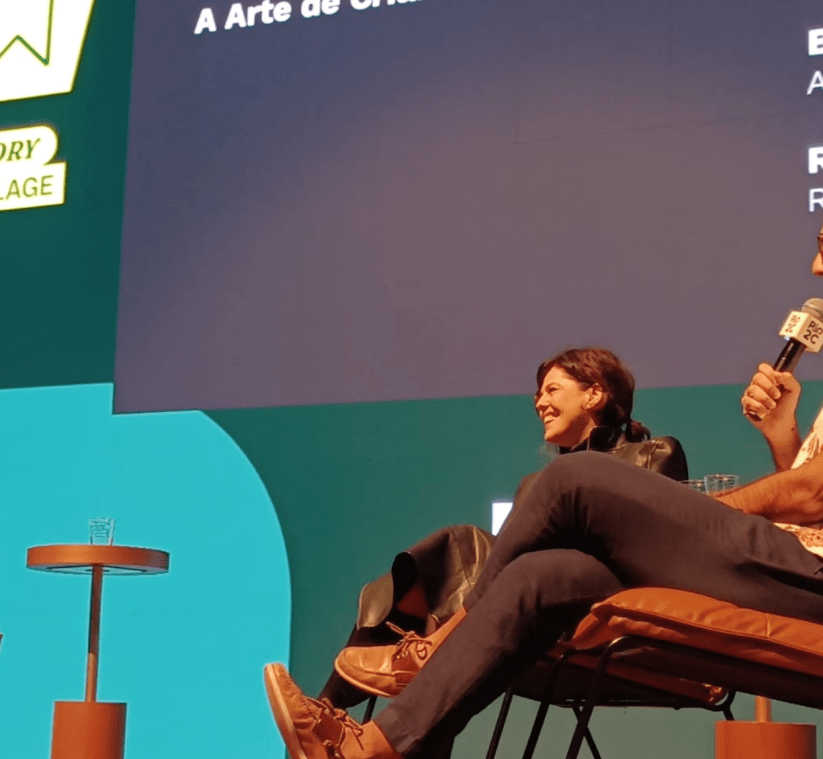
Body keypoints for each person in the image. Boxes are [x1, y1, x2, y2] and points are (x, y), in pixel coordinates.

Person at [262, 226, 823, 759]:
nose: (817, 265)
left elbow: (813, 494)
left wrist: (704, 514)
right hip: (791, 567)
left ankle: (437, 647)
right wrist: (784, 437)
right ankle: (372, 749)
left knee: (571, 480)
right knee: (541, 576)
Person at [321, 347, 687, 707]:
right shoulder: (534, 484)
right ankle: (337, 706)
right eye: (538, 394)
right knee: (431, 573)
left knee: (459, 544)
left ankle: (336, 703)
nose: (540, 403)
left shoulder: (652, 455)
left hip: (588, 603)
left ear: (594, 394)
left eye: (552, 390)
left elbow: (653, 549)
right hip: (517, 605)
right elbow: (509, 557)